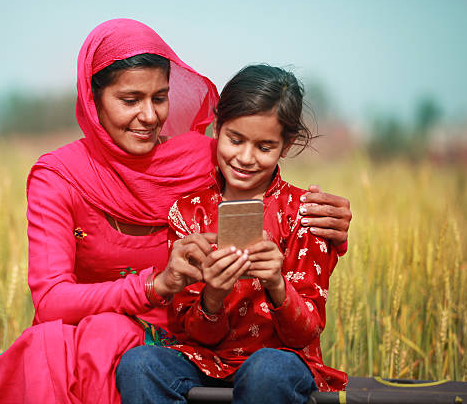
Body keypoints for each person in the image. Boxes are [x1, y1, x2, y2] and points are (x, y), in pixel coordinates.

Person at [0, 19, 352, 404]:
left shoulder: (205, 159)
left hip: (188, 343)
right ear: (93, 97)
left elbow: (267, 190)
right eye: (130, 100)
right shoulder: (59, 177)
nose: (150, 116)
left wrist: (331, 222)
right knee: (107, 343)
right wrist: (159, 285)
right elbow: (52, 300)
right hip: (126, 347)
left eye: (160, 97)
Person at [116, 65, 348, 404]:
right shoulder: (188, 212)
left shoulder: (305, 214)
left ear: (287, 145)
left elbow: (306, 333)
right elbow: (188, 332)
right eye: (235, 140)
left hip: (281, 361)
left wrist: (277, 285)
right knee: (140, 364)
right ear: (216, 128)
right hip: (205, 360)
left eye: (264, 146)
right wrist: (212, 296)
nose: (245, 157)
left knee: (267, 370)